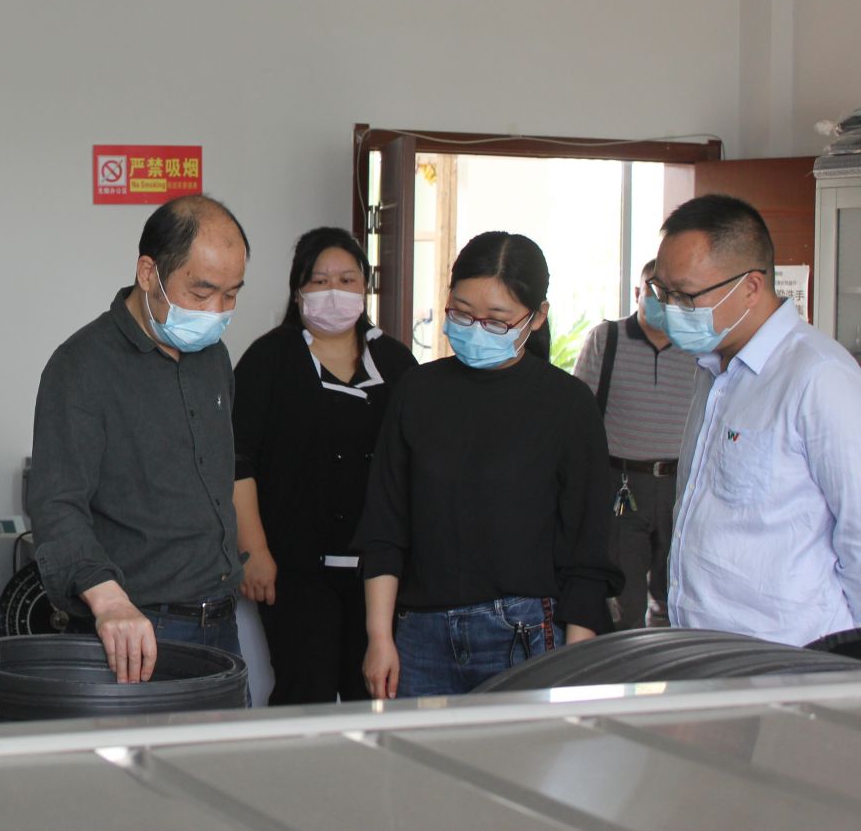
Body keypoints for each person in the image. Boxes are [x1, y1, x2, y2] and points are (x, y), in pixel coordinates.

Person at [357, 231, 620, 699]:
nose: (476, 329)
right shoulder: (417, 390)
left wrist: (575, 663)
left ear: (537, 316)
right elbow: (385, 523)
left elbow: (588, 548)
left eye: (496, 320)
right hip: (420, 634)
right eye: (461, 313)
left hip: (524, 633)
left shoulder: (566, 404)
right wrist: (379, 637)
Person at [29, 195, 248, 684]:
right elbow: (57, 504)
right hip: (137, 629)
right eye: (201, 292)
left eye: (231, 294)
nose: (216, 311)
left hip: (221, 621)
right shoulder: (82, 366)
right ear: (149, 273)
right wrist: (109, 602)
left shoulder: (213, 357)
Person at [653, 194, 861, 646]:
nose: (669, 308)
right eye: (662, 292)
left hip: (791, 657)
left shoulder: (819, 376)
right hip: (702, 647)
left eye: (685, 295)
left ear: (751, 286)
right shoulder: (712, 369)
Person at [232, 227, 416, 705]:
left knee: (373, 697)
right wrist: (253, 551)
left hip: (380, 574)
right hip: (294, 570)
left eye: (347, 280)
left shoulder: (396, 363)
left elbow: (416, 466)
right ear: (298, 290)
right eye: (319, 280)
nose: (334, 291)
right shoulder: (267, 360)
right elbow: (237, 461)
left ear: (365, 287)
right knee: (303, 693)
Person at [572, 259, 699, 630]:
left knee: (675, 594)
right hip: (623, 486)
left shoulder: (696, 346)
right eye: (655, 292)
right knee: (622, 597)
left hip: (681, 484)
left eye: (674, 295)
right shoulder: (606, 339)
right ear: (637, 292)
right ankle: (625, 662)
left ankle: (669, 662)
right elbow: (580, 415)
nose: (664, 302)